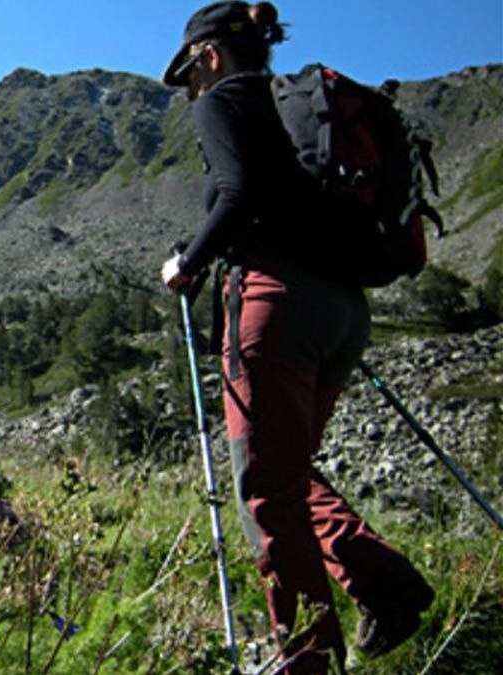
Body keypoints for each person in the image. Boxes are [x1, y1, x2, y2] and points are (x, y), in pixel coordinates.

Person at [158, 3, 434, 673]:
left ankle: (307, 659)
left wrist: (186, 263)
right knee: (287, 471)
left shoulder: (224, 103)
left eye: (191, 72)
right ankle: (384, 584)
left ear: (210, 57)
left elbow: (235, 187)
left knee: (265, 489)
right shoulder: (288, 107)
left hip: (272, 305)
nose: (192, 88)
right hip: (341, 310)